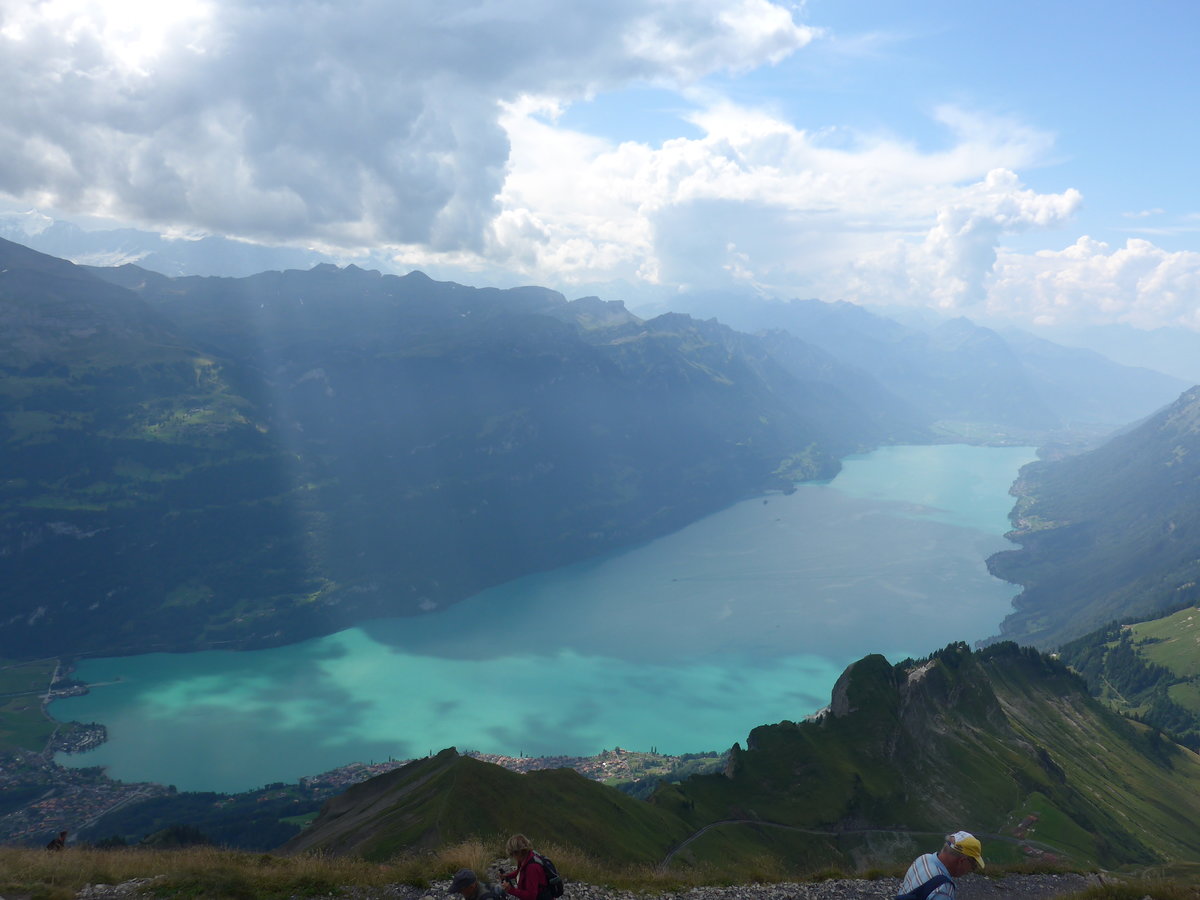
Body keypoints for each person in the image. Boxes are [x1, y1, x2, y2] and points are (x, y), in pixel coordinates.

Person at [897, 831, 984, 900]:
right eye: (973, 865)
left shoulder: (924, 858)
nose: (971, 870)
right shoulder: (943, 888)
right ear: (962, 861)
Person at [499, 833, 548, 900]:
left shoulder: (532, 868)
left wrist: (510, 890)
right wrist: (507, 876)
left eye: (512, 854)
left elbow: (531, 896)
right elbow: (520, 872)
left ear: (518, 852)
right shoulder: (526, 857)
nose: (513, 857)